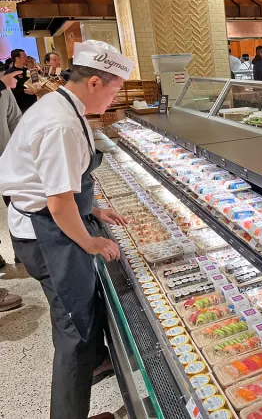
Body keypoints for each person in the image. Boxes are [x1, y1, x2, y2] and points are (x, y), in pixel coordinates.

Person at [0, 40, 133, 419]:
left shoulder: (60, 105)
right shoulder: (61, 124)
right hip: (46, 234)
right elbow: (58, 203)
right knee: (74, 330)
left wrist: (93, 209)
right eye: (115, 88)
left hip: (44, 223)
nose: (114, 97)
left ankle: (96, 364)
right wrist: (90, 241)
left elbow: (61, 183)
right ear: (94, 82)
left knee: (79, 317)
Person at [0, 70, 22, 278]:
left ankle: (22, 250)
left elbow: (14, 119)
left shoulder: (4, 88)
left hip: (5, 157)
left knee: (16, 202)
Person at [5, 49, 37, 113]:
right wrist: (25, 91)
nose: (26, 58)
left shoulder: (28, 70)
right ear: (17, 58)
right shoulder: (10, 73)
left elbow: (35, 81)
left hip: (35, 102)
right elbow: (11, 91)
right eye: (24, 57)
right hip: (22, 106)